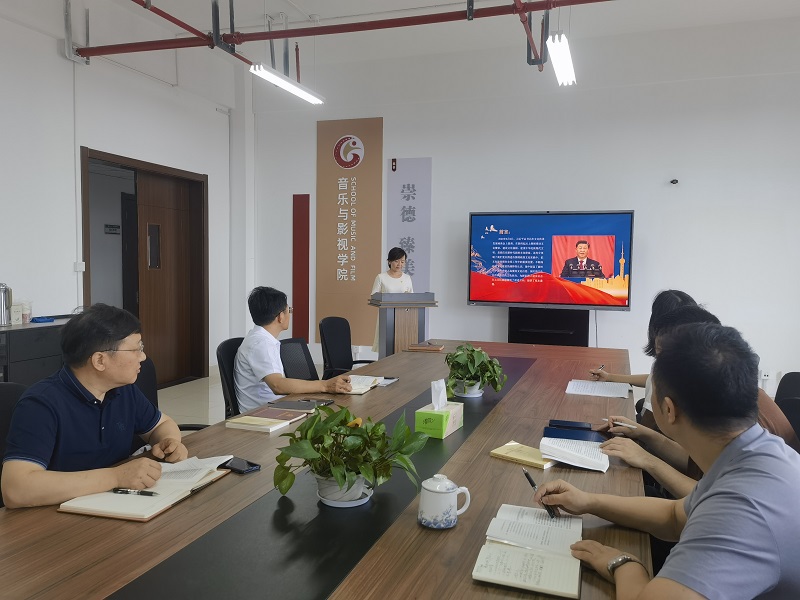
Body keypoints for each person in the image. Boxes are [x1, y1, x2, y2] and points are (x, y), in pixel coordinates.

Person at [534, 323, 800, 599]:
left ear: (669, 409)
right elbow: (674, 517)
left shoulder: (743, 507)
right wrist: (588, 501)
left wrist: (624, 566)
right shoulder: (756, 454)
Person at [598, 305, 800, 499]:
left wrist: (647, 460)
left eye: (663, 355)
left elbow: (715, 499)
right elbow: (693, 464)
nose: (658, 366)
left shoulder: (738, 419)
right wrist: (643, 433)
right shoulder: (723, 395)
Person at [1, 303, 188, 508]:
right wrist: (115, 477)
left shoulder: (123, 390)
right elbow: (16, 489)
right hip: (58, 516)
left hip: (117, 505)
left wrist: (170, 441)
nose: (143, 357)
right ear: (100, 360)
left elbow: (162, 424)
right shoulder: (40, 404)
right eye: (136, 349)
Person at [234, 286, 352, 413]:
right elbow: (277, 385)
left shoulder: (261, 339)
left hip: (275, 405)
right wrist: (325, 385)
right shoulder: (260, 344)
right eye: (289, 310)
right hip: (263, 413)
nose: (290, 314)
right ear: (280, 317)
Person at [590, 289, 696, 428]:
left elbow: (645, 427)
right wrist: (610, 377)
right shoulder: (685, 357)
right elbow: (651, 379)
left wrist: (626, 429)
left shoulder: (668, 369)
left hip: (653, 431)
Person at [371, 247, 413, 352]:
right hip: (386, 316)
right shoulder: (381, 277)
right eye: (396, 261)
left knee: (400, 347)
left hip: (403, 317)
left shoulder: (407, 278)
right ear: (389, 261)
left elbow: (411, 298)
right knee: (385, 347)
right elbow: (374, 296)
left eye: (402, 261)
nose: (400, 264)